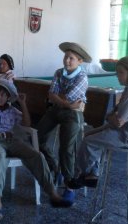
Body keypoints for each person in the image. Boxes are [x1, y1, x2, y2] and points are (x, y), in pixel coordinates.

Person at [0, 79, 74, 220]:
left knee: (37, 155)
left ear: (8, 97)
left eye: (2, 95)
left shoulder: (12, 110)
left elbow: (27, 123)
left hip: (13, 141)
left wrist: (23, 103)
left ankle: (52, 194)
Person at [68, 55, 128, 189]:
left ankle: (80, 174)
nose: (117, 76)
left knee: (89, 141)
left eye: (121, 72)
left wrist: (110, 118)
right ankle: (92, 175)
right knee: (89, 136)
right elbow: (115, 118)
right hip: (127, 131)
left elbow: (118, 121)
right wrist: (107, 121)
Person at [36, 42, 91, 200]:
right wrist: (66, 103)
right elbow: (52, 94)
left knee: (67, 148)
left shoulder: (82, 77)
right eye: (66, 57)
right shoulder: (59, 72)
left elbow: (60, 95)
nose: (67, 61)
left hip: (73, 114)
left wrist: (60, 99)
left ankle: (69, 185)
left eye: (71, 58)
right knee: (37, 137)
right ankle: (55, 166)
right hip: (59, 110)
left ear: (80, 61)